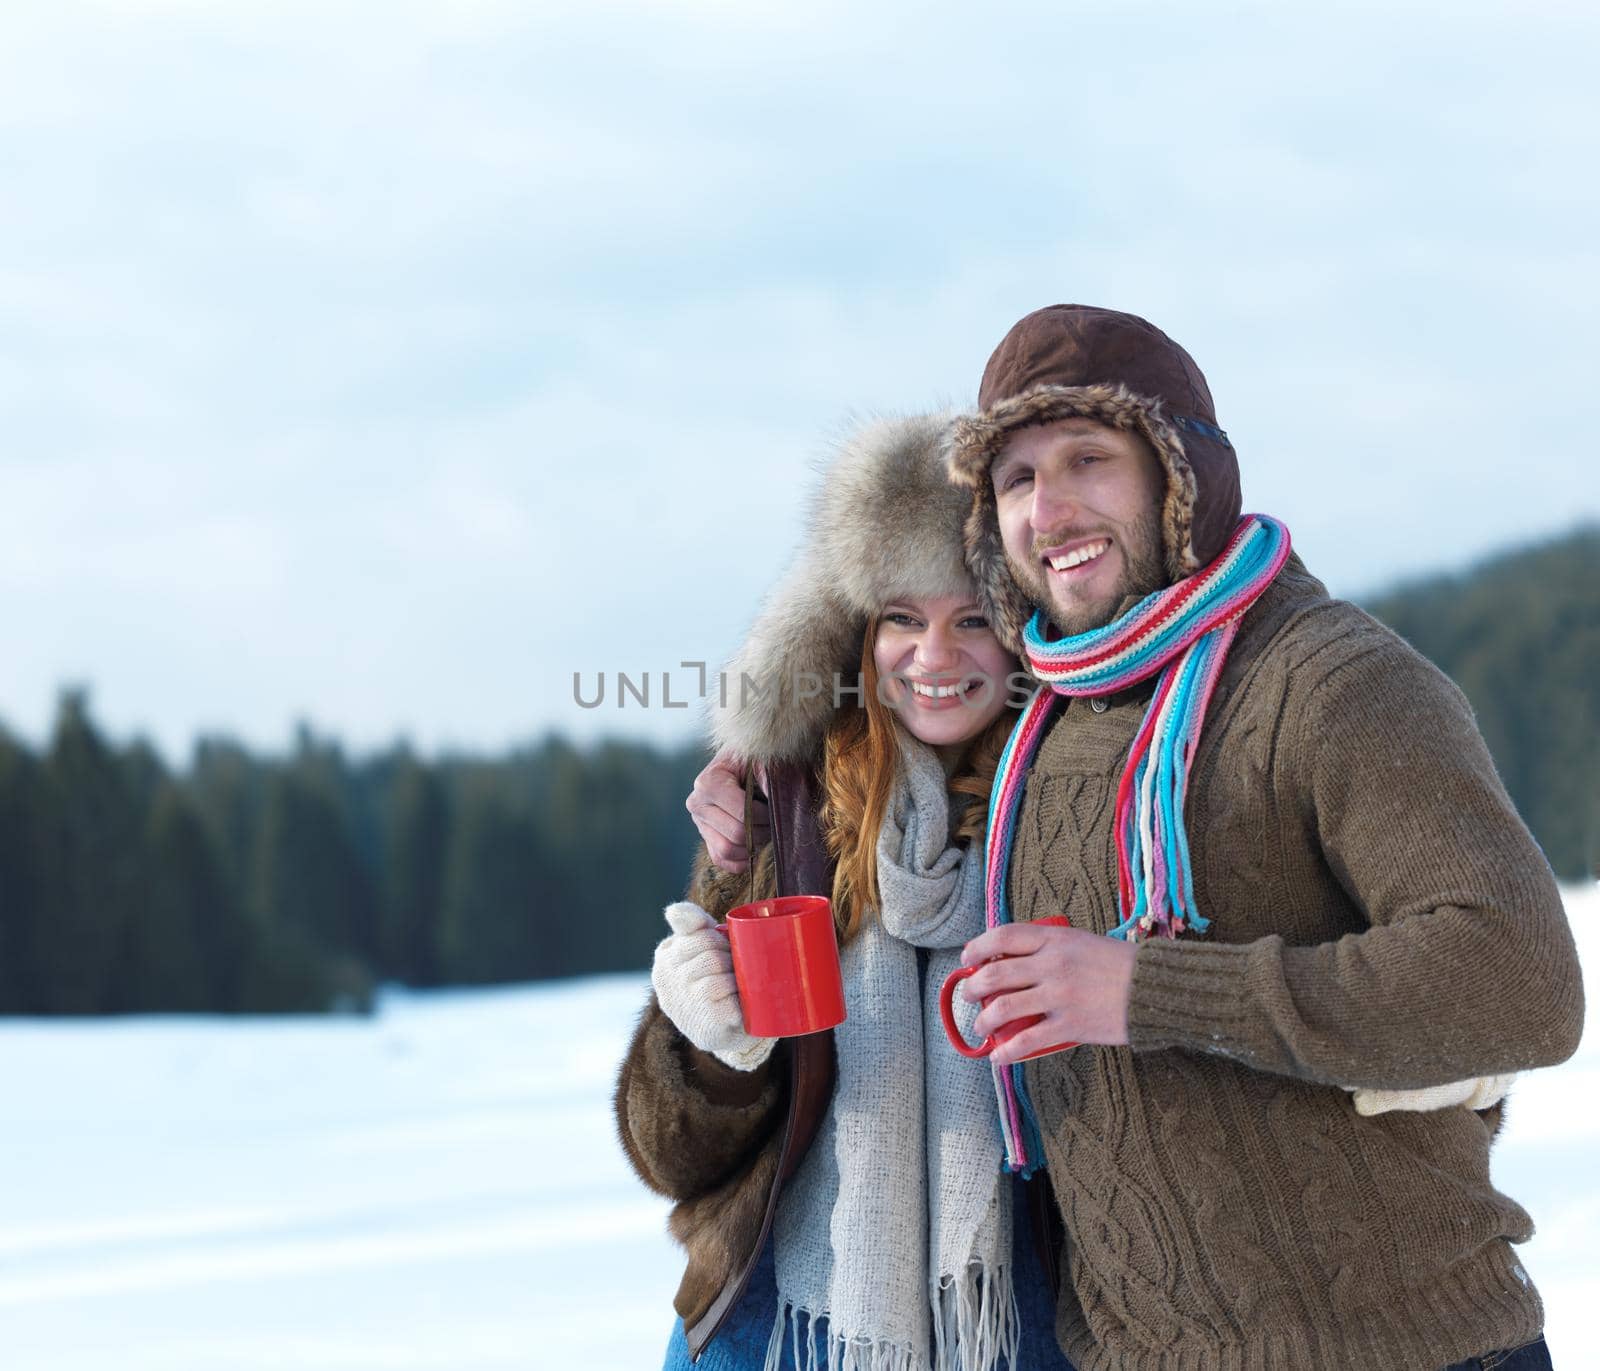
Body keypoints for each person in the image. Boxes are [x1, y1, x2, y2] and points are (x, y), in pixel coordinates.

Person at [691, 305, 1583, 1371]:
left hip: (1395, 1344)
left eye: (1087, 459)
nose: (1050, 507)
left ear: (1181, 476)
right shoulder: (1050, 719)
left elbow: (1519, 979)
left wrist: (1144, 992)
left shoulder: (1332, 679)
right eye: (1016, 479)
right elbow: (892, 714)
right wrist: (768, 770)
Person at [614, 414, 1076, 1371]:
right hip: (783, 1322)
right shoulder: (787, 813)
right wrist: (709, 1049)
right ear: (857, 637)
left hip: (1025, 1319)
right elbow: (672, 1156)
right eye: (902, 619)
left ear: (1026, 629)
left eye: (973, 619)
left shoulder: (1082, 802)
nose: (933, 658)